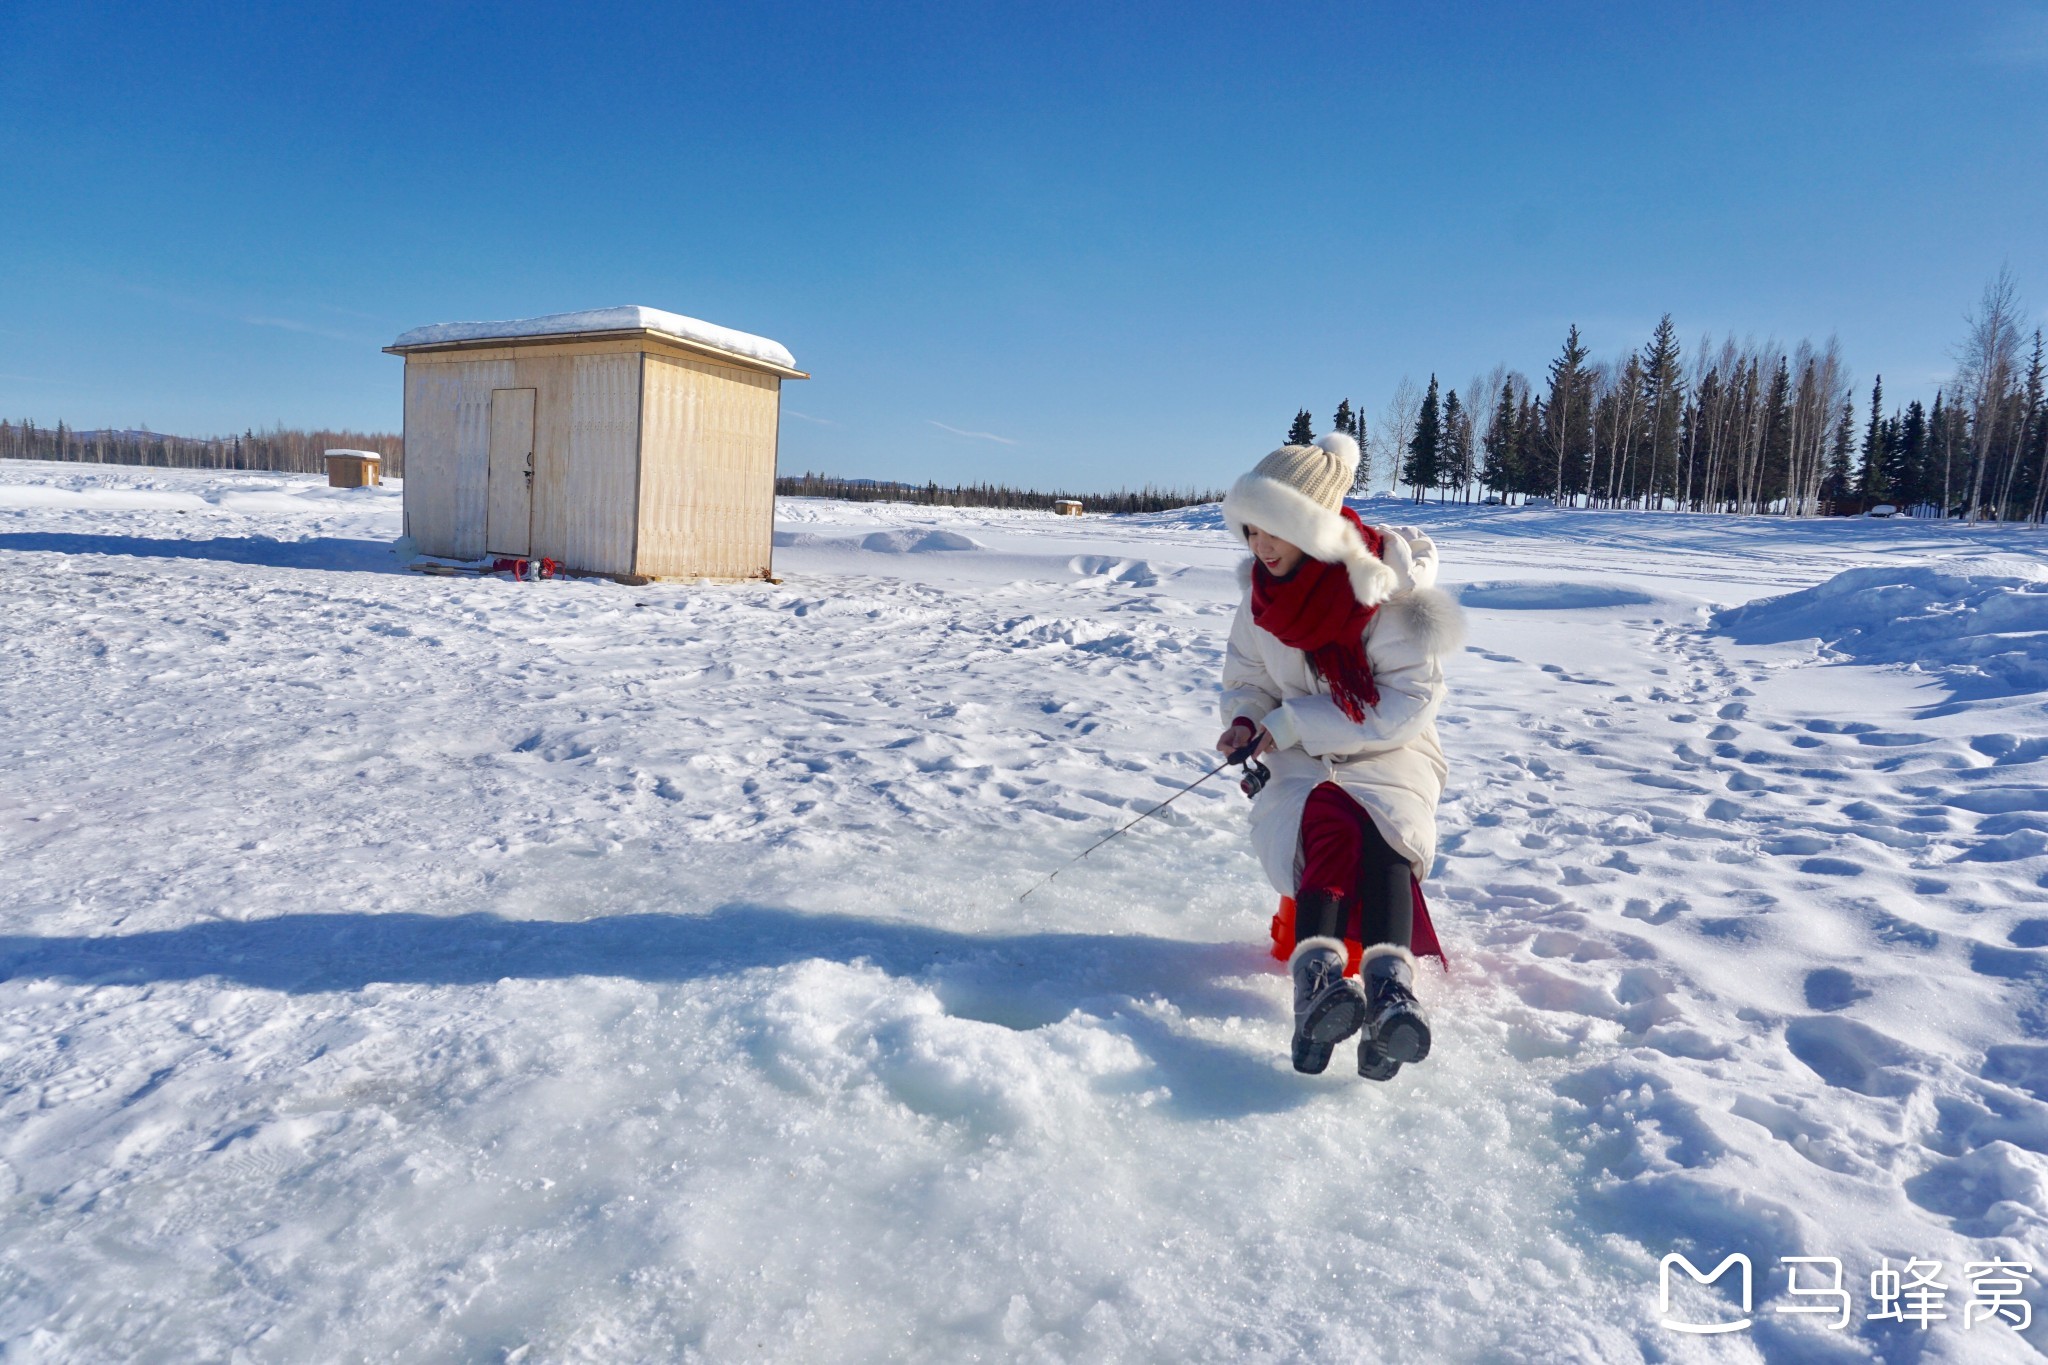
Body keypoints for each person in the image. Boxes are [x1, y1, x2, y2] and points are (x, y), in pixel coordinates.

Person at [1216, 431, 1461, 1080]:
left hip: (1391, 746)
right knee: (1324, 818)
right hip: (1299, 755)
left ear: (1316, 530)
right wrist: (1246, 719)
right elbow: (1247, 674)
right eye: (1249, 530)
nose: (1258, 546)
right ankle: (1318, 985)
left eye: (1272, 530)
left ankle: (1390, 994)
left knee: (1385, 836)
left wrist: (1295, 720)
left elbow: (1408, 699)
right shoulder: (1260, 595)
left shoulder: (1385, 594)